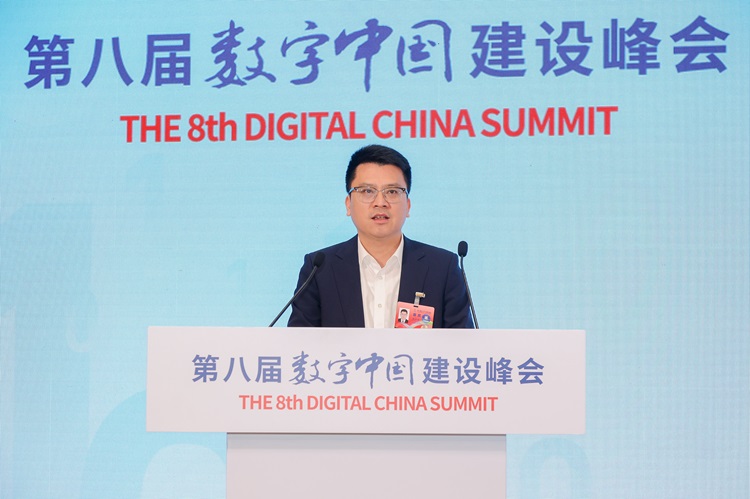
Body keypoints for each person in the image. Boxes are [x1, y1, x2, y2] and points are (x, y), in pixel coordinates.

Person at [287, 144, 472, 329]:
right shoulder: (319, 270)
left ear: (408, 206)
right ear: (348, 204)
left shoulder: (442, 268)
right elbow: (297, 343)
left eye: (392, 192)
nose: (380, 202)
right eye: (367, 191)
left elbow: (463, 343)